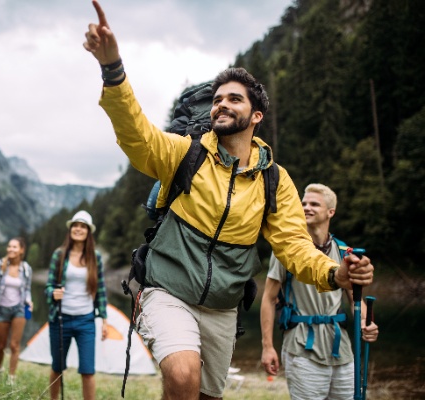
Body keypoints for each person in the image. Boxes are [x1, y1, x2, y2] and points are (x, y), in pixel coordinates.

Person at [82, 2, 374, 399]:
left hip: (222, 307)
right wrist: (113, 69)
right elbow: (138, 135)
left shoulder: (275, 180)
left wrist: (333, 274)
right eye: (218, 98)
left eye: (234, 99)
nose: (221, 104)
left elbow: (293, 246)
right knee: (183, 375)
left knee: (205, 395)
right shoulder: (185, 153)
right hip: (167, 289)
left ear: (256, 116)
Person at [260, 183, 379, 399]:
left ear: (330, 212)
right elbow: (268, 299)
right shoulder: (287, 250)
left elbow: (356, 300)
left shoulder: (344, 252)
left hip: (341, 350)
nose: (306, 207)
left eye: (314, 204)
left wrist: (364, 323)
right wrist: (267, 347)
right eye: (303, 203)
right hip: (302, 347)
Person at [45, 210, 108, 400]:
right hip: (60, 319)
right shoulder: (59, 255)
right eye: (75, 225)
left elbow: (101, 289)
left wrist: (104, 320)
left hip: (86, 320)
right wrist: (52, 293)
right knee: (57, 367)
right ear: (70, 229)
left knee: (88, 370)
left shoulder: (95, 257)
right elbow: (48, 286)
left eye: (82, 226)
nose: (78, 229)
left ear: (88, 232)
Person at [0, 236, 33, 385]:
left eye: (14, 247)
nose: (10, 249)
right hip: (1, 308)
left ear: (21, 250)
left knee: (14, 345)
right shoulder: (0, 264)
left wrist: (29, 301)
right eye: (9, 246)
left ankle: (11, 378)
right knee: (1, 345)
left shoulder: (26, 268)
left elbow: (27, 289)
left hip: (19, 308)